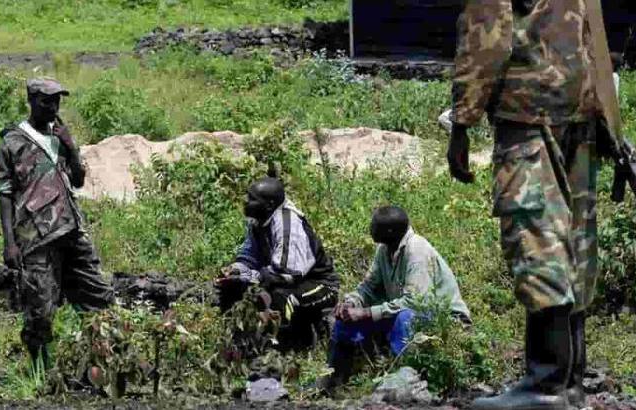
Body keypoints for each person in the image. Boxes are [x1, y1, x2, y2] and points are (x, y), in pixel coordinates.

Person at [447, 1, 604, 409]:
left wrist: (462, 121)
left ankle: (545, 384)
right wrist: (610, 123)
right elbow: (594, 36)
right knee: (574, 245)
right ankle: (570, 384)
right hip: (583, 116)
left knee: (536, 238)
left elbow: (488, 33)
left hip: (528, 116)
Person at [0, 78, 114, 367]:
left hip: (71, 231)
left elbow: (79, 180)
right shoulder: (12, 143)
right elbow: (5, 195)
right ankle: (40, 373)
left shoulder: (60, 137)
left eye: (57, 101)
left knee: (98, 296)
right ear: (32, 100)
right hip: (35, 238)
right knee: (40, 311)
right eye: (46, 101)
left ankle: (101, 366)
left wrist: (71, 147)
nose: (53, 107)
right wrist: (10, 244)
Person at [317, 206, 471, 391]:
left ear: (389, 232)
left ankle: (404, 380)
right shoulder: (385, 249)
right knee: (344, 322)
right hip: (406, 312)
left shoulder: (417, 251)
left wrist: (366, 312)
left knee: (405, 317)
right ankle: (333, 382)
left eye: (375, 226)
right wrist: (351, 303)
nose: (371, 228)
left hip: (444, 319)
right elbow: (368, 287)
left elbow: (416, 302)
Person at [217, 177, 339, 350]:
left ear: (268, 205)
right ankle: (236, 343)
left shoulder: (288, 225)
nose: (246, 202)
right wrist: (235, 271)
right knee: (231, 286)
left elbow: (285, 274)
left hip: (317, 284)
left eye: (252, 199)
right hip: (277, 276)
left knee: (281, 296)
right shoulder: (258, 221)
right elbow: (248, 257)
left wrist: (248, 276)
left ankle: (285, 346)